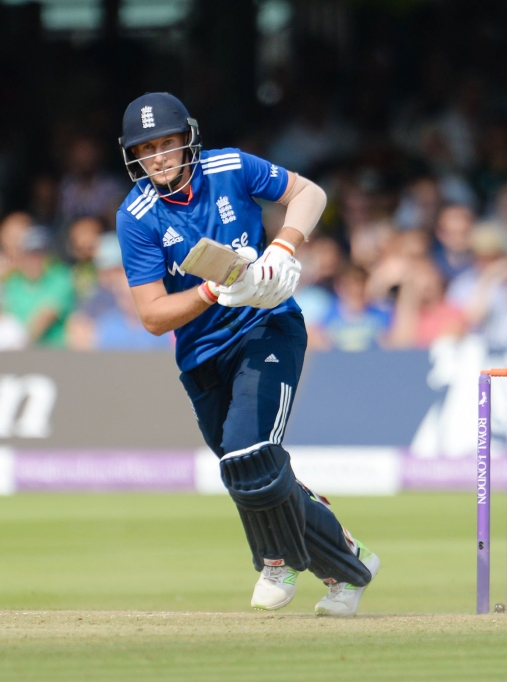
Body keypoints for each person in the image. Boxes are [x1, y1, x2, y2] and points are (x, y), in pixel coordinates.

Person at [114, 92, 378, 616]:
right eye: (147, 149)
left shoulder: (229, 166)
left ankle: (276, 560)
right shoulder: (136, 216)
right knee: (250, 472)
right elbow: (151, 315)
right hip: (202, 358)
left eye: (167, 143)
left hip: (268, 327)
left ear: (187, 138)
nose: (160, 157)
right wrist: (214, 290)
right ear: (135, 157)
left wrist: (282, 247)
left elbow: (310, 194)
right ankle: (352, 566)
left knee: (247, 452)